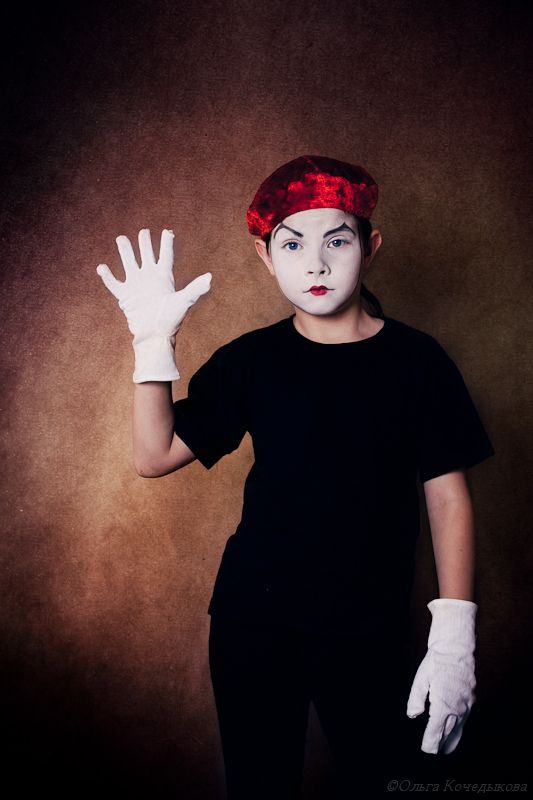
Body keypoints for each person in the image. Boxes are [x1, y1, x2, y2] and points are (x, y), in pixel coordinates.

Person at [96, 155, 495, 798]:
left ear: (370, 246)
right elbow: (154, 455)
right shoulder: (249, 362)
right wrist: (151, 345)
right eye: (292, 245)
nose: (316, 264)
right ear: (265, 256)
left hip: (370, 627)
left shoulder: (418, 362)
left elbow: (448, 500)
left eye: (337, 241)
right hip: (254, 622)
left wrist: (455, 637)